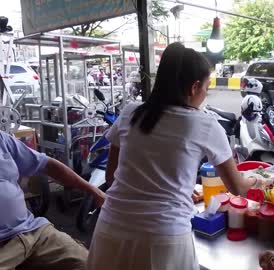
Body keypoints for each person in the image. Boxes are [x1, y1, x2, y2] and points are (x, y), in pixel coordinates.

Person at [87, 43, 256, 270]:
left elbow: (111, 177)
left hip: (110, 229)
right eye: (207, 88)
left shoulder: (131, 113)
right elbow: (239, 188)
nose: (206, 95)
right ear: (195, 87)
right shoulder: (205, 124)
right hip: (163, 238)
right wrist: (259, 179)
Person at [0, 131, 105, 269]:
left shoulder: (2, 139)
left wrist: (94, 191)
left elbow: (46, 164)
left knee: (89, 264)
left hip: (31, 231)